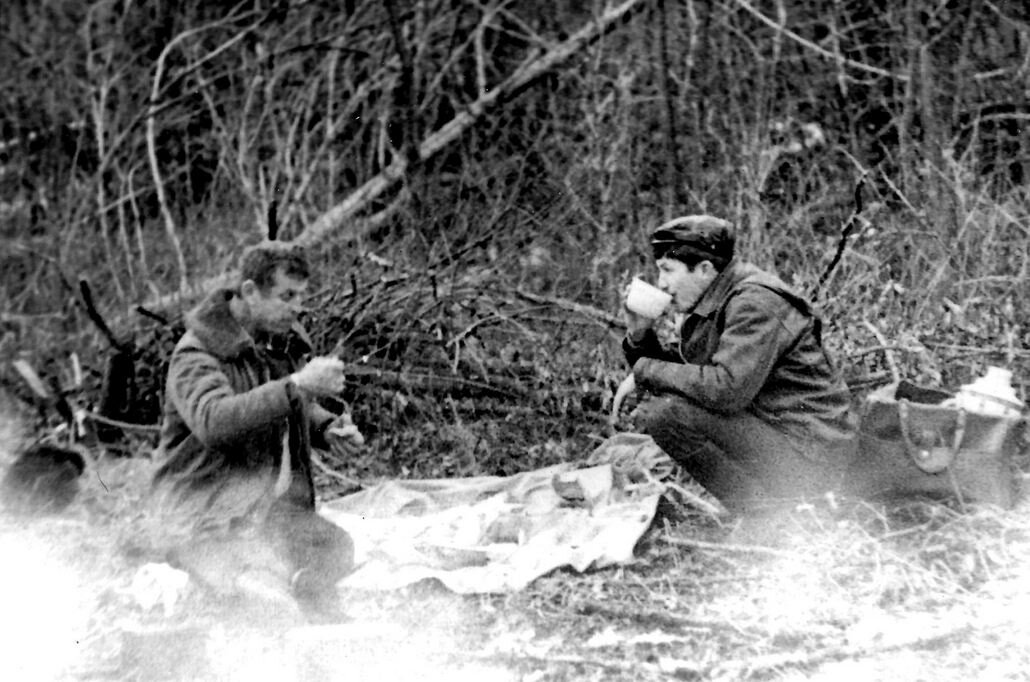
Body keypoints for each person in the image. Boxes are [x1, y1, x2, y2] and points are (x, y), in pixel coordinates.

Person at [151, 240, 363, 617]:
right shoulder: (196, 354)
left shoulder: (268, 342)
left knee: (335, 549)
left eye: (300, 295)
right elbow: (214, 421)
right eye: (286, 295)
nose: (297, 306)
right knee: (260, 603)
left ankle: (307, 613)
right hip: (200, 515)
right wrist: (297, 384)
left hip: (258, 510)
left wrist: (326, 429)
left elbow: (283, 401)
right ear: (250, 291)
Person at [621, 215, 857, 513]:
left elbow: (725, 389)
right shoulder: (718, 297)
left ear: (705, 269)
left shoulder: (753, 302)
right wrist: (640, 334)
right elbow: (690, 379)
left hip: (815, 456)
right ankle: (770, 511)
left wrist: (646, 370)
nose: (662, 284)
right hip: (786, 439)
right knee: (667, 407)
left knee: (664, 414)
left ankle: (767, 518)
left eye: (668, 270)